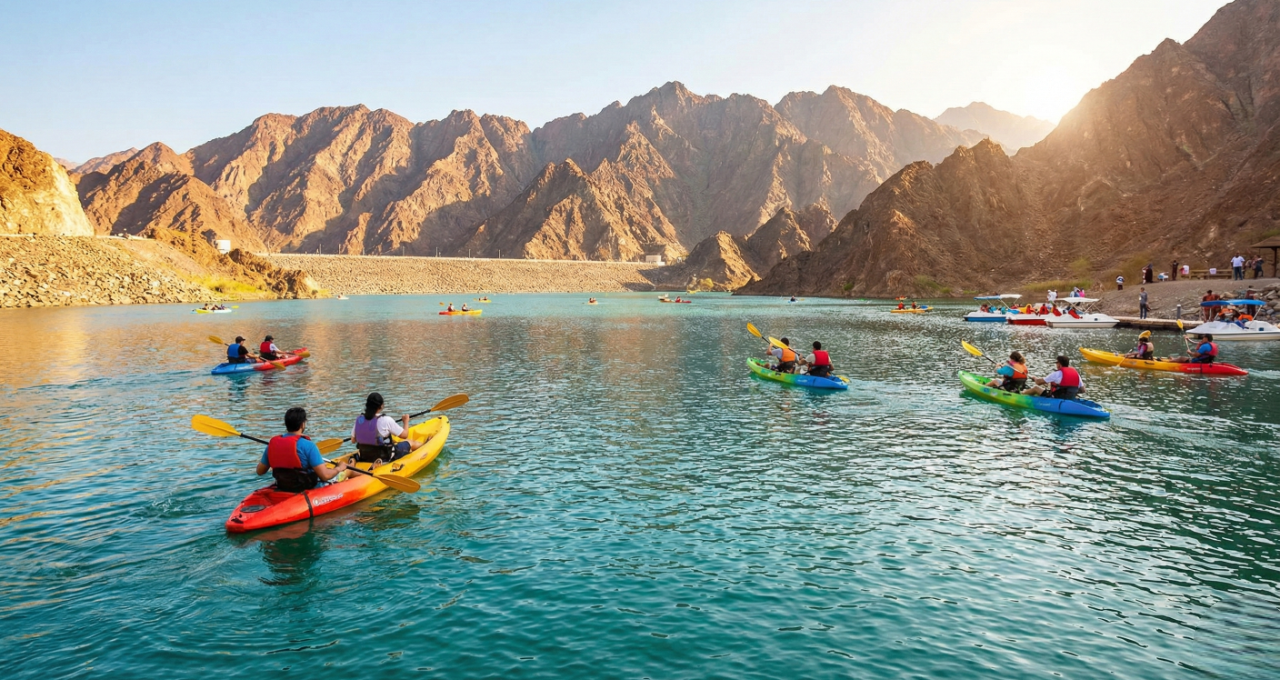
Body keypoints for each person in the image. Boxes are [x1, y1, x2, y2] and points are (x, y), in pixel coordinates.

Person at [256, 407, 347, 492]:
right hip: (306, 487)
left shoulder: (272, 445)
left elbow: (260, 471)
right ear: (302, 424)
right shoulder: (308, 446)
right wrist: (339, 468)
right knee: (349, 470)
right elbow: (325, 476)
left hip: (283, 486)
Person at [352, 393, 426, 465]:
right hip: (385, 458)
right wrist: (406, 421)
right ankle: (426, 446)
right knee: (410, 442)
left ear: (367, 405)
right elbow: (404, 435)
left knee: (391, 441)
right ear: (381, 406)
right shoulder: (385, 420)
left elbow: (353, 440)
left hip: (365, 458)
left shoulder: (359, 419)